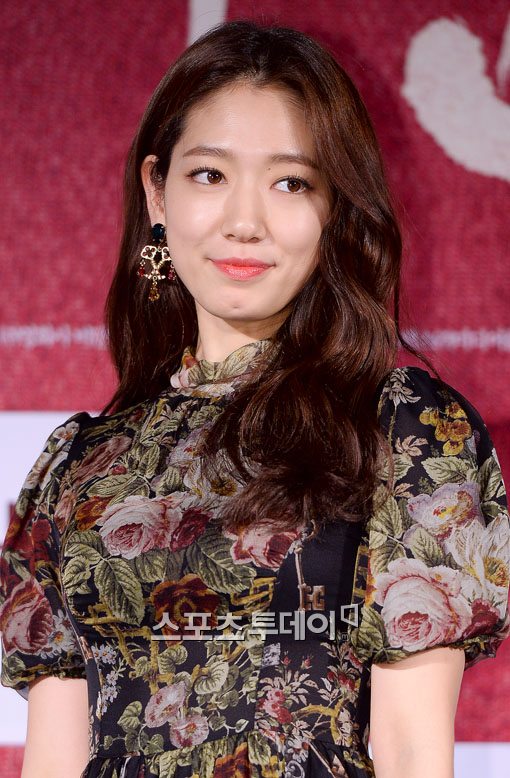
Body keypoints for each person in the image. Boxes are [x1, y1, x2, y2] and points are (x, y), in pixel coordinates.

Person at [1, 18, 509, 778]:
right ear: (157, 192)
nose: (245, 222)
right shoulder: (81, 467)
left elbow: (413, 751)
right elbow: (55, 758)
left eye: (291, 183)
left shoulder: (403, 431)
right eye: (210, 175)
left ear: (335, 209)